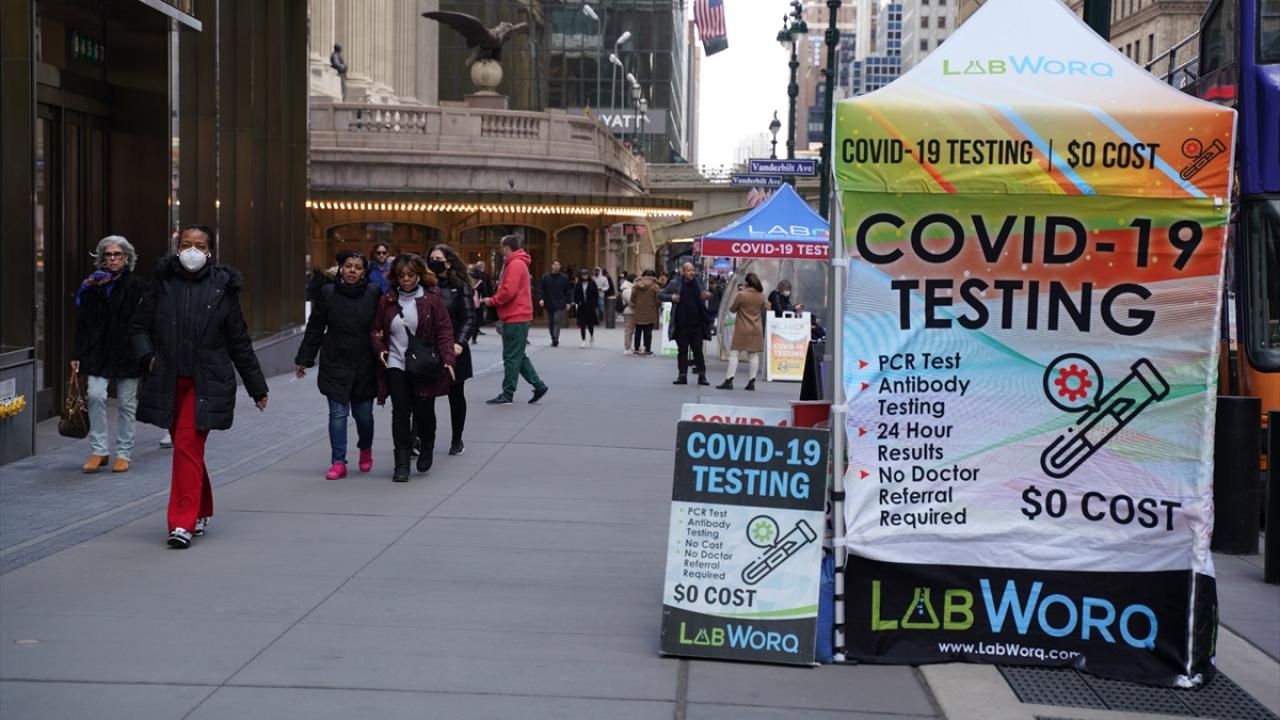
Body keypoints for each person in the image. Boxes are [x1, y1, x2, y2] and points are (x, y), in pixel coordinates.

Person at [131, 224, 269, 549]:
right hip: (167, 379)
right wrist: (148, 357)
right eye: (186, 244)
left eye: (200, 245)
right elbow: (138, 327)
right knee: (188, 450)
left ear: (210, 251)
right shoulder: (161, 283)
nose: (192, 250)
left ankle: (182, 522)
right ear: (177, 247)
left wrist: (257, 387)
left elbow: (239, 342)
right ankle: (202, 508)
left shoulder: (223, 289)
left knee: (185, 445)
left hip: (207, 382)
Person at [294, 251, 381, 480]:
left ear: (364, 272)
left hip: (365, 363)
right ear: (341, 268)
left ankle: (365, 447)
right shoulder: (328, 293)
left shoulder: (373, 293)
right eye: (348, 266)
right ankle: (338, 462)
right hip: (335, 360)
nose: (352, 270)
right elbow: (315, 327)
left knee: (364, 416)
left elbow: (383, 324)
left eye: (358, 267)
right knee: (338, 414)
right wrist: (304, 358)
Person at [371, 254, 457, 482]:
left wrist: (448, 358)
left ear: (419, 275)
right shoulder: (387, 300)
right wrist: (379, 348)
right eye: (401, 276)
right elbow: (376, 330)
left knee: (424, 411)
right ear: (395, 277)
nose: (406, 279)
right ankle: (401, 464)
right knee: (400, 412)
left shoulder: (432, 300)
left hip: (423, 364)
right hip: (396, 363)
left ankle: (427, 446)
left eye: (410, 275)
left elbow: (444, 330)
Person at [72, 235, 148, 473]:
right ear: (102, 258)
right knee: (95, 396)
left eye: (117, 254)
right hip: (97, 350)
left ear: (127, 258)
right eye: (108, 255)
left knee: (126, 403)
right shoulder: (91, 286)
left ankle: (124, 453)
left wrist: (146, 351)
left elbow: (145, 321)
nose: (113, 258)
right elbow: (82, 323)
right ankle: (99, 451)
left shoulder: (137, 286)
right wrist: (76, 354)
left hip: (127, 351)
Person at [482, 235, 549, 405]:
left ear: (506, 248)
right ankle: (538, 385)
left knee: (511, 357)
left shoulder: (515, 264)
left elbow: (508, 292)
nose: (500, 251)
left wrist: (492, 301)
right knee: (518, 355)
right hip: (518, 316)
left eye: (501, 248)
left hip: (515, 316)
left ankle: (508, 394)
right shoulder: (518, 263)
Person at [429, 243, 476, 456]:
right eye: (431, 259)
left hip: (455, 348)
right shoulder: (424, 285)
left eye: (438, 259)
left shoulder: (460, 286)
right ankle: (421, 437)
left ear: (448, 262)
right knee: (423, 395)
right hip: (428, 348)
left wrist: (460, 342)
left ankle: (457, 438)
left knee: (456, 395)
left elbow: (469, 317)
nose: (434, 262)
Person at [661, 262, 712, 385]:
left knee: (698, 351)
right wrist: (671, 297)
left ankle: (702, 376)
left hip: (697, 324)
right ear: (683, 272)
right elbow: (661, 294)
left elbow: (709, 294)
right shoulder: (675, 283)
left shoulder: (698, 282)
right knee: (682, 350)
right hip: (681, 324)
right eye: (689, 270)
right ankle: (682, 375)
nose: (692, 273)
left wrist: (708, 295)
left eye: (693, 270)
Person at [717, 273, 769, 391]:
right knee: (753, 355)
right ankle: (751, 382)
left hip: (742, 328)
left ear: (747, 283)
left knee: (734, 353)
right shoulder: (761, 296)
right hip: (756, 328)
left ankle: (729, 380)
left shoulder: (741, 295)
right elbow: (762, 308)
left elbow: (732, 309)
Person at [537, 259, 571, 347]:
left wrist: (568, 302)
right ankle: (553, 337)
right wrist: (541, 299)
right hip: (549, 302)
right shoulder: (546, 277)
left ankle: (556, 337)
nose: (556, 266)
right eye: (555, 265)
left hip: (560, 302)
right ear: (551, 266)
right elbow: (540, 288)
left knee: (556, 319)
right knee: (551, 321)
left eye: (558, 265)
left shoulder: (564, 277)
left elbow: (568, 291)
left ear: (560, 267)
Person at [630, 270, 661, 356]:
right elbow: (658, 300)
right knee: (648, 332)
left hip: (638, 311)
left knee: (638, 331)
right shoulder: (655, 286)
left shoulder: (637, 285)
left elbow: (632, 298)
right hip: (650, 311)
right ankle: (647, 349)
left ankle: (636, 349)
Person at [571, 267, 599, 347]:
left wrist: (594, 303)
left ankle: (591, 335)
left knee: (590, 324)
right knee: (582, 324)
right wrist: (577, 301)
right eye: (583, 275)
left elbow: (596, 294)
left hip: (590, 306)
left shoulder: (592, 283)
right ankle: (583, 340)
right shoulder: (578, 284)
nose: (584, 276)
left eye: (586, 274)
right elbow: (575, 294)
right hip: (582, 306)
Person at [619, 272, 635, 353]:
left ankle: (629, 346)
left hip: (633, 312)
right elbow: (631, 302)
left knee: (631, 331)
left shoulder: (631, 288)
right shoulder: (627, 289)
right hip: (629, 312)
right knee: (628, 330)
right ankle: (627, 347)